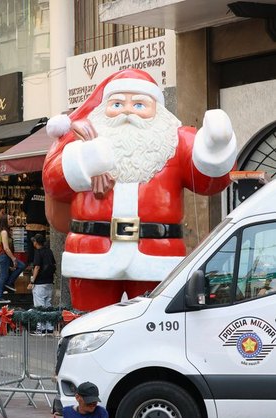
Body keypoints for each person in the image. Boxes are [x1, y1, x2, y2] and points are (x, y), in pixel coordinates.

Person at [44, 69, 237, 312]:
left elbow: (210, 182)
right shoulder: (81, 140)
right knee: (90, 321)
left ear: (159, 110)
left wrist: (216, 145)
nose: (127, 111)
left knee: (153, 320)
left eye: (139, 104)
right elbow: (53, 182)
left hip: (157, 253)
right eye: (117, 104)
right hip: (92, 251)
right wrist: (84, 160)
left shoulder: (176, 140)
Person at [0, 215, 25, 304]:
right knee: (3, 276)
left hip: (5, 256)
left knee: (21, 266)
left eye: (12, 218)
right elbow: (6, 248)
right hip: (4, 256)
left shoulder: (6, 231)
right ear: (5, 221)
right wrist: (13, 258)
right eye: (9, 219)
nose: (12, 220)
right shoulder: (4, 232)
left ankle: (8, 283)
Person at [29, 234, 56, 333]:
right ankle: (49, 327)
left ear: (36, 242)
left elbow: (37, 267)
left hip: (40, 283)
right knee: (48, 305)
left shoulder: (38, 252)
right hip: (49, 282)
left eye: (34, 241)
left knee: (39, 306)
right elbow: (54, 264)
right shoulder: (49, 251)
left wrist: (32, 281)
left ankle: (40, 328)